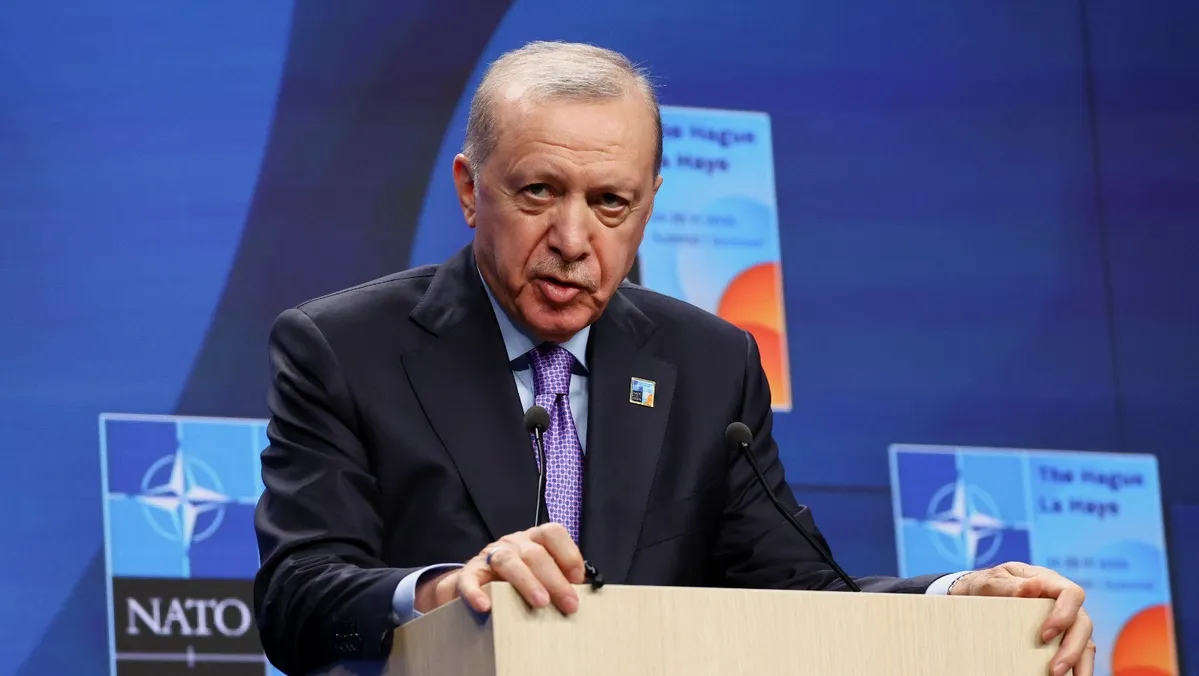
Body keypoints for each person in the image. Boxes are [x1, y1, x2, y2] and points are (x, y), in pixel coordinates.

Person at [253, 40, 1095, 676]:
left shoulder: (710, 363)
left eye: (609, 202)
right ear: (473, 190)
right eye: (539, 192)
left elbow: (799, 596)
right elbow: (297, 599)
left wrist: (957, 600)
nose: (573, 240)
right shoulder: (345, 348)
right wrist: (445, 590)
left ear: (650, 207)